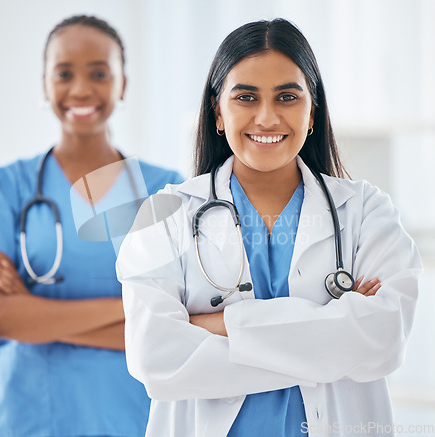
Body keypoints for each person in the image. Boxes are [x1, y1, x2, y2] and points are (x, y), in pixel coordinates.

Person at [116, 19, 422, 437]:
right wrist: (326, 340)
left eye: (287, 96)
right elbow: (157, 358)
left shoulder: (366, 211)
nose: (266, 117)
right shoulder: (165, 216)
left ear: (312, 112)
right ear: (217, 112)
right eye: (245, 97)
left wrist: (216, 325)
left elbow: (382, 340)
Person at [0, 15, 182, 437]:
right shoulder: (5, 188)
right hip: (29, 418)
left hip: (133, 419)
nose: (81, 89)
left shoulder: (166, 190)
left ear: (122, 84)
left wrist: (36, 316)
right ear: (45, 85)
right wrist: (134, 313)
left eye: (99, 73)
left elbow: (181, 329)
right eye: (64, 73)